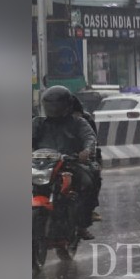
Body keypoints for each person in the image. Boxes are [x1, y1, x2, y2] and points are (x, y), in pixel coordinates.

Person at [32, 86, 98, 240]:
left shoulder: (78, 122)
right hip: (42, 165)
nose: (52, 109)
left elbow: (89, 138)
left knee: (87, 182)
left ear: (66, 106)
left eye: (56, 106)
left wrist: (86, 151)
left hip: (70, 164)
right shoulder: (38, 123)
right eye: (49, 106)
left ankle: (81, 224)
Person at [71, 93, 103, 223]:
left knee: (91, 178)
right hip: (51, 160)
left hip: (76, 159)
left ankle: (85, 215)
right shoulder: (44, 122)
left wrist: (86, 151)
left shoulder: (82, 121)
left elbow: (91, 138)